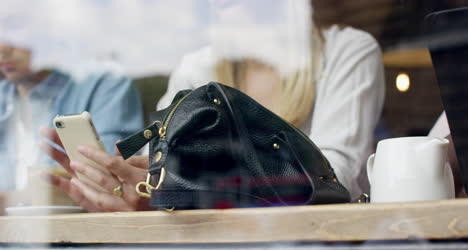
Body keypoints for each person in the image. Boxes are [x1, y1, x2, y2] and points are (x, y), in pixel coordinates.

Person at [40, 0, 385, 211]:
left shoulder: (348, 51)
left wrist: (179, 187)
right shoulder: (196, 68)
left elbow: (335, 181)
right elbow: (162, 169)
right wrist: (133, 181)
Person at [0, 42, 144, 193]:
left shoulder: (105, 86)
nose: (3, 48)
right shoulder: (5, 97)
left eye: (17, 31)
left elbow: (110, 181)